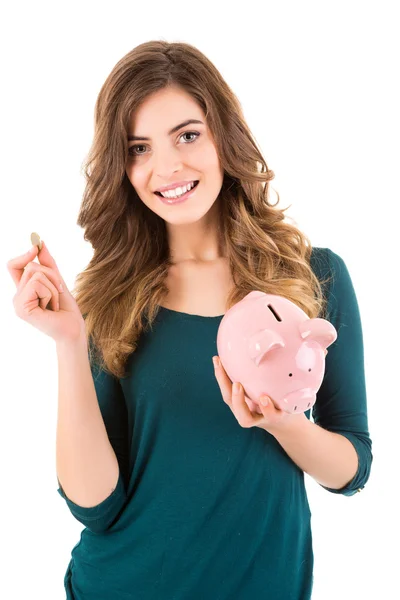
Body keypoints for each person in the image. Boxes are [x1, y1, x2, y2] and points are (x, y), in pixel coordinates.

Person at [7, 41, 373, 600]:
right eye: (138, 148)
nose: (167, 166)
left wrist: (279, 422)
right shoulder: (113, 294)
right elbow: (94, 505)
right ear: (122, 168)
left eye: (187, 134)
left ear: (223, 135)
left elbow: (350, 469)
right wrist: (69, 341)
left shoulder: (312, 276)